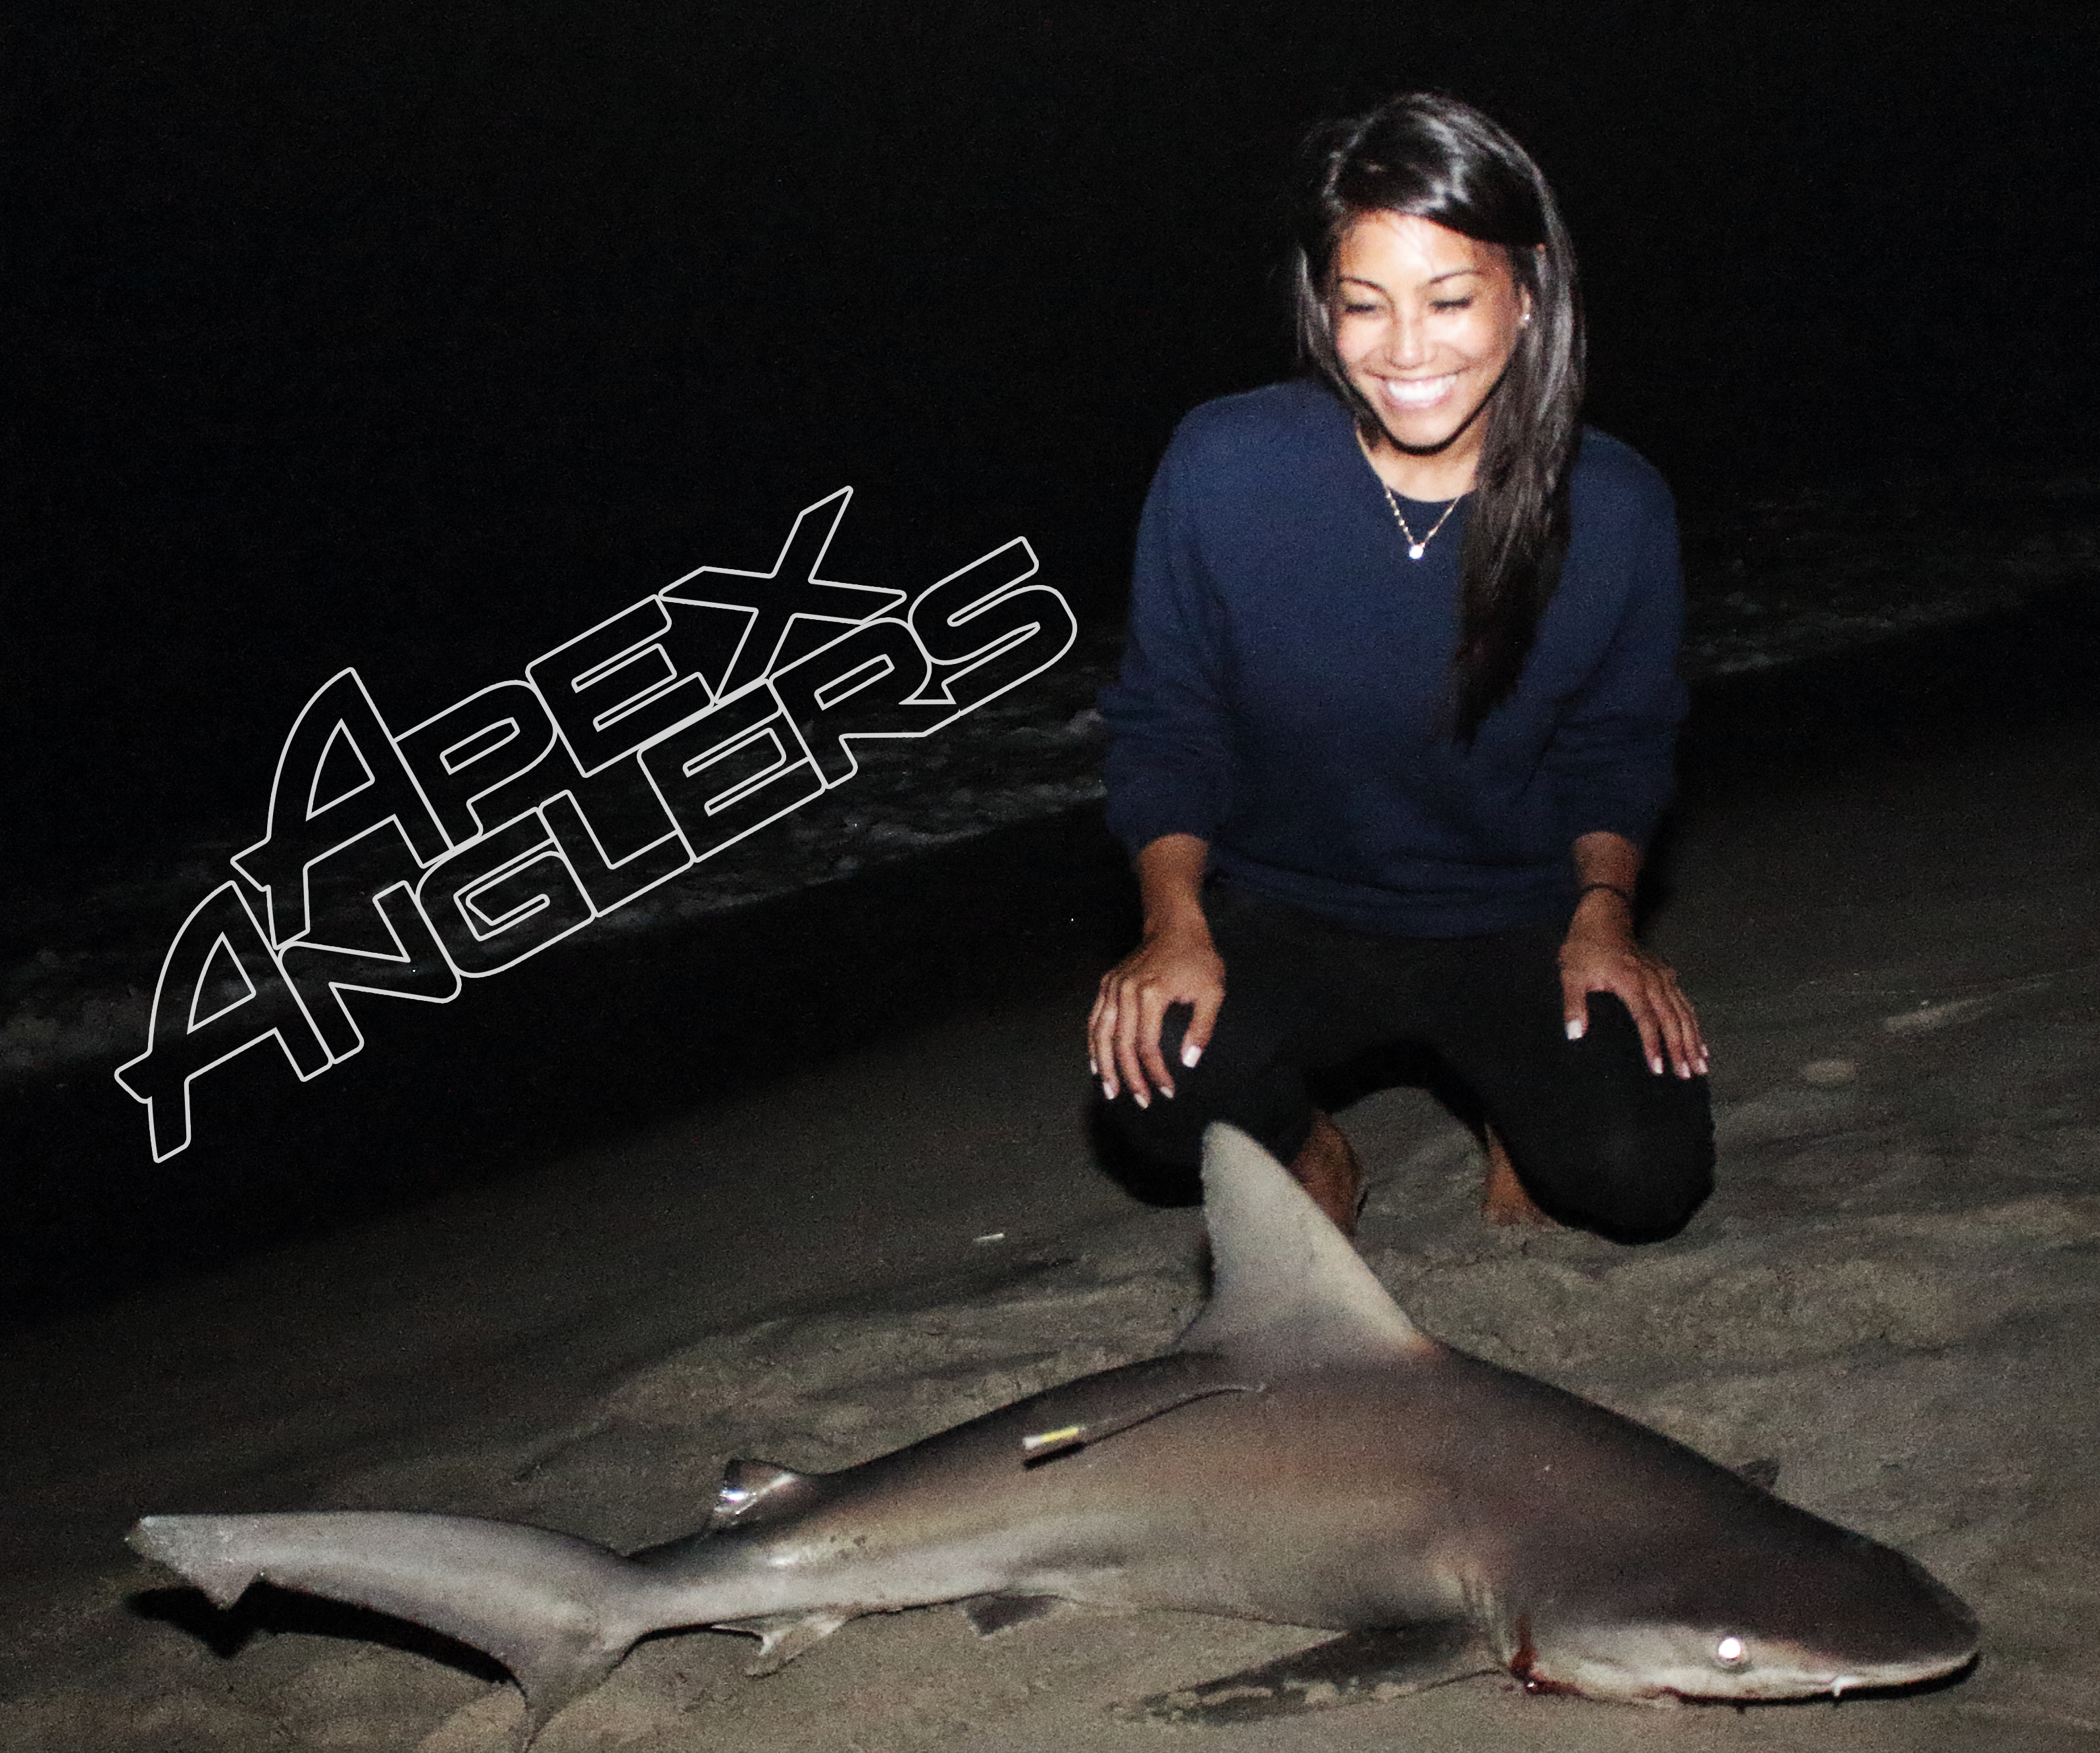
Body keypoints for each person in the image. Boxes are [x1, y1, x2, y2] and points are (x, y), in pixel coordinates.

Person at [1088, 91, 1713, 1242]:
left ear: (1528, 291)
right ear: (1322, 306)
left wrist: (1605, 914)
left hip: (1512, 912)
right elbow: (1170, 721)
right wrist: (1171, 921)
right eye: (1364, 304)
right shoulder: (1225, 465)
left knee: (1642, 1181)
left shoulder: (1616, 504)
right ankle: (1316, 1154)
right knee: (1151, 1086)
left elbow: (1619, 743)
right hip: (1286, 904)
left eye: (1449, 299)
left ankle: (1513, 1113)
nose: (1406, 350)